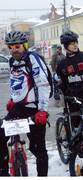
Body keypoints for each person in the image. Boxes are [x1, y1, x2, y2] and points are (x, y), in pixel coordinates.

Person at [0, 30, 50, 176]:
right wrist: (12, 100)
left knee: (38, 149)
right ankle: (3, 173)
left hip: (35, 109)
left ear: (25, 45)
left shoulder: (32, 59)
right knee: (0, 135)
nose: (14, 50)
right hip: (19, 108)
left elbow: (43, 84)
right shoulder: (11, 61)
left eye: (17, 46)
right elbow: (17, 83)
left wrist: (43, 110)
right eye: (10, 47)